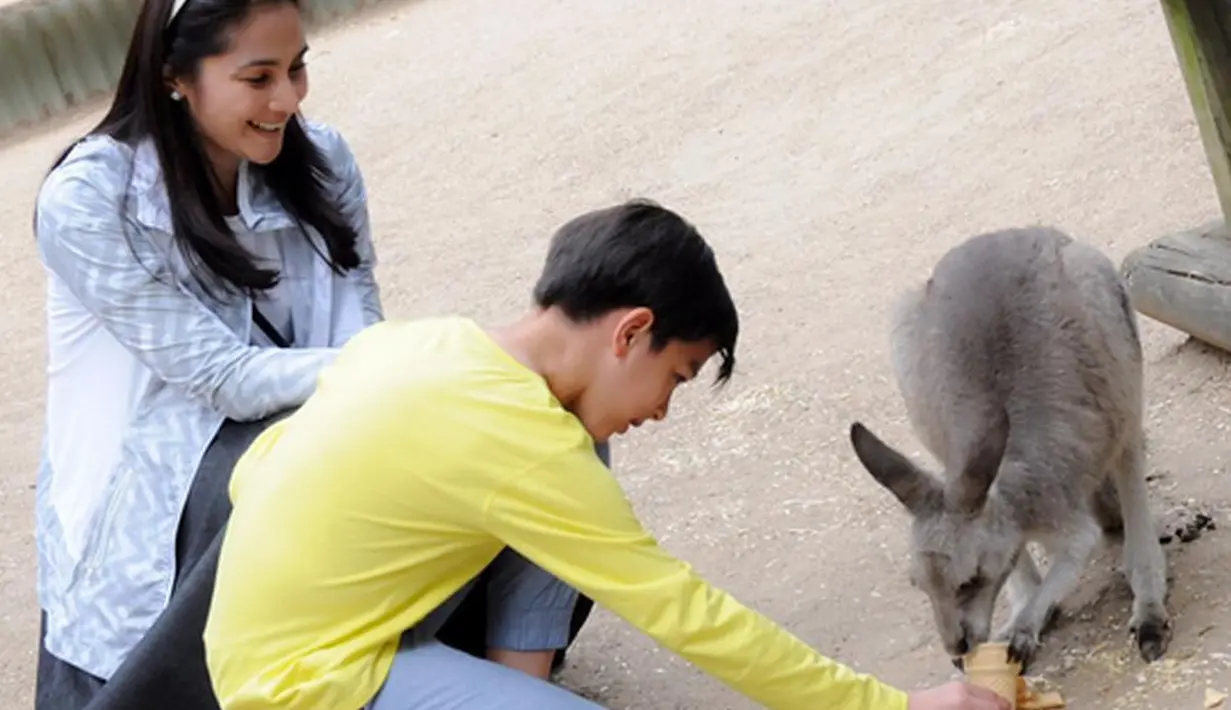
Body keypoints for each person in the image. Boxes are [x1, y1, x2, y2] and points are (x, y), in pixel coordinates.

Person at [201, 199, 1011, 710]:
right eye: (675, 376)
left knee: (578, 459)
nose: (660, 410)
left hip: (272, 643)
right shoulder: (520, 441)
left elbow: (259, 467)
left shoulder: (431, 345)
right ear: (629, 331)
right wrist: (891, 707)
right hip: (306, 688)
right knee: (570, 469)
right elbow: (686, 613)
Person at [29, 0, 596, 706]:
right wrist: (434, 362)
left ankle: (515, 675)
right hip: (164, 493)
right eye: (258, 77)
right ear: (176, 75)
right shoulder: (91, 199)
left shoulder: (321, 159)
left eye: (297, 69)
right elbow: (222, 378)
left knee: (542, 406)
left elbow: (361, 329)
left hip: (308, 431)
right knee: (315, 448)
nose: (288, 99)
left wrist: (461, 378)